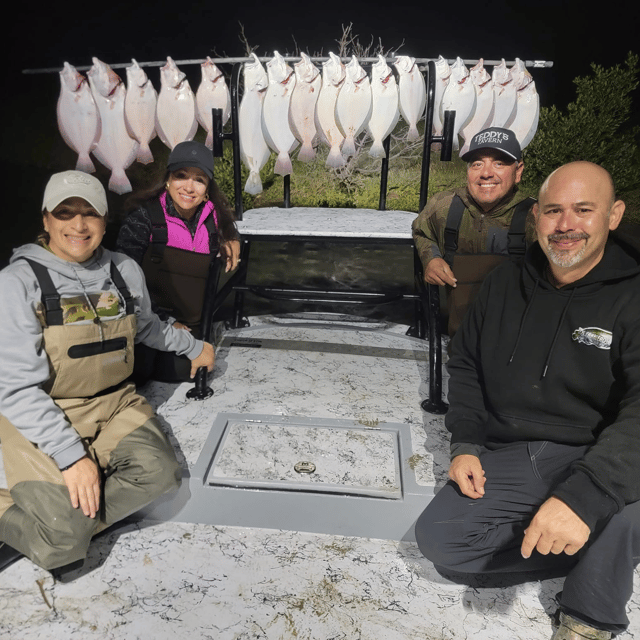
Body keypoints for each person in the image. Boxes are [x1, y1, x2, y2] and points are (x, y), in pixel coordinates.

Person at [414, 161, 640, 639]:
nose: (566, 225)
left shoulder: (633, 297)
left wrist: (584, 497)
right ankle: (595, 536)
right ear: (535, 216)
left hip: (603, 446)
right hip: (520, 451)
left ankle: (588, 615)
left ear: (613, 215)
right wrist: (467, 443)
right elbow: (467, 365)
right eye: (554, 211)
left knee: (620, 510)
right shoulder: (502, 283)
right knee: (441, 541)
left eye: (584, 210)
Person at [0, 171, 215, 573]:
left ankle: (67, 518)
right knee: (64, 544)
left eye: (90, 214)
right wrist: (71, 458)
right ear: (46, 220)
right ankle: (47, 521)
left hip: (116, 403)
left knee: (161, 476)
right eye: (65, 213)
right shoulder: (15, 283)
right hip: (43, 410)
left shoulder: (124, 270)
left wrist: (196, 348)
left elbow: (147, 327)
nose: (78, 226)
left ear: (104, 220)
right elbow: (14, 391)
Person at [116, 140, 240, 383]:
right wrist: (166, 321)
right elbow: (121, 281)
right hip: (149, 324)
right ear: (168, 179)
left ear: (207, 189)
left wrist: (232, 237)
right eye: (181, 176)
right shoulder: (143, 217)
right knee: (141, 368)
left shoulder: (214, 219)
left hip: (192, 329)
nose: (189, 187)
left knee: (197, 370)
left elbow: (227, 223)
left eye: (199, 179)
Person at [412, 126, 535, 336]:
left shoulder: (537, 217)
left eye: (499, 163)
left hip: (517, 345)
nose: (486, 173)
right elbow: (422, 231)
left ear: (518, 171)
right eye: (477, 164)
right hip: (459, 342)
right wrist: (431, 259)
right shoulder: (444, 205)